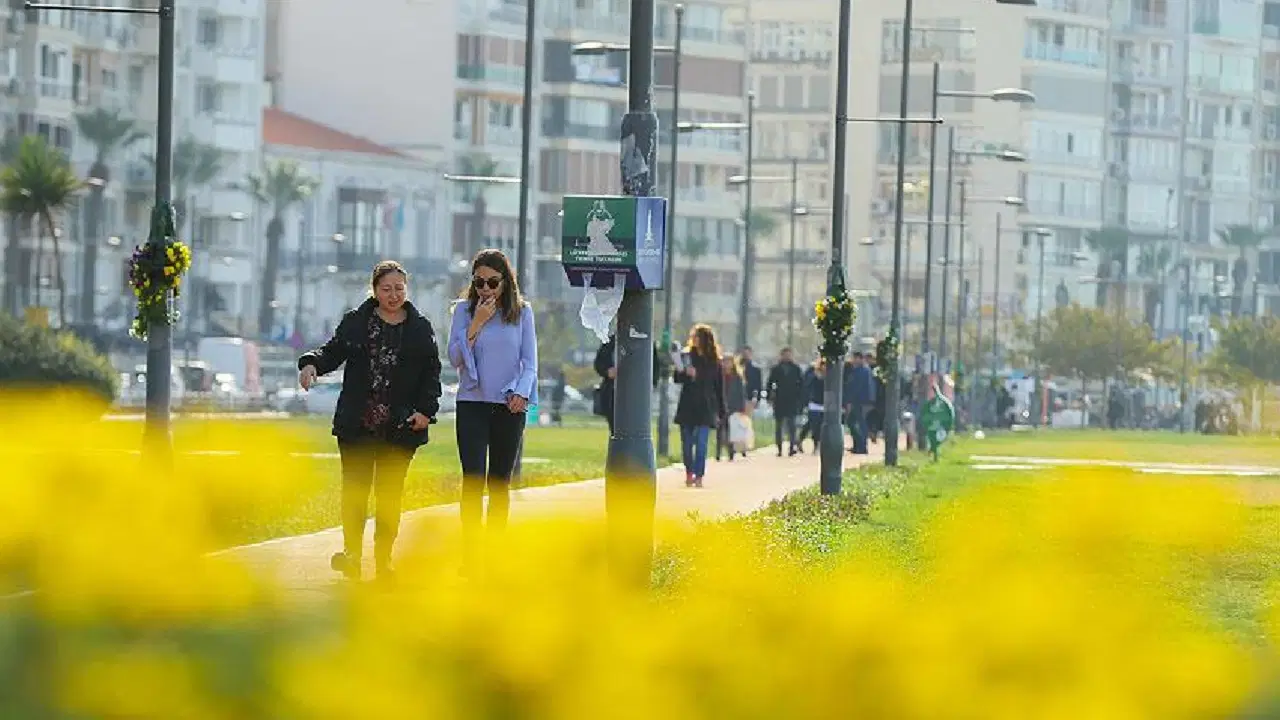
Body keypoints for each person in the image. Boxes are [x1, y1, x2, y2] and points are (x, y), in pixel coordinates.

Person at [297, 260, 442, 582]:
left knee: (389, 496)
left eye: (399, 289)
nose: (393, 295)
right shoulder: (357, 322)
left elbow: (432, 374)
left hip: (400, 428)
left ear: (407, 289)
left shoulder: (420, 328)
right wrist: (310, 365)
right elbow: (331, 352)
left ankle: (383, 562)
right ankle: (351, 555)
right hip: (357, 424)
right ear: (374, 291)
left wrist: (425, 410)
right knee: (356, 492)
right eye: (386, 289)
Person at [447, 249, 537, 572]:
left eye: (492, 282)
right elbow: (456, 358)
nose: (485, 289)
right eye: (479, 282)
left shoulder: (522, 313)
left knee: (499, 483)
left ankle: (495, 556)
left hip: (508, 407)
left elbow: (529, 364)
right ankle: (470, 557)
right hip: (471, 404)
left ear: (505, 282)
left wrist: (520, 393)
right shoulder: (463, 311)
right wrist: (477, 324)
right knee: (473, 480)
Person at [673, 324, 726, 488]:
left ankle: (699, 475)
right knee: (687, 445)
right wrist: (684, 373)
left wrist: (721, 412)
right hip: (687, 406)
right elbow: (677, 378)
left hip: (706, 408)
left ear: (705, 339)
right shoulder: (687, 356)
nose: (694, 339)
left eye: (697, 336)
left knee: (701, 444)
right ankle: (689, 472)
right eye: (693, 336)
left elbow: (719, 388)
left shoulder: (714, 362)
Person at [593, 335, 660, 435]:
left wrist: (650, 386)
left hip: (637, 395)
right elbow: (599, 363)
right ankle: (617, 448)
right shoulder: (611, 341)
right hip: (613, 394)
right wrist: (607, 371)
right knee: (615, 431)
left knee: (636, 430)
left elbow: (655, 368)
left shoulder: (646, 342)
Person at [765, 347, 804, 456]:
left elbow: (801, 385)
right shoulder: (776, 369)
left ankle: (792, 447)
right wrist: (769, 397)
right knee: (779, 426)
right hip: (779, 400)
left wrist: (801, 399)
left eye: (789, 354)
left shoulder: (796, 369)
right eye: (785, 354)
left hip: (792, 400)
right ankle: (779, 448)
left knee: (792, 426)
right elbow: (770, 383)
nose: (787, 357)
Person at [714, 355, 748, 462]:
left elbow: (741, 393)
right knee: (720, 430)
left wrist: (742, 407)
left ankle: (731, 452)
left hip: (733, 407)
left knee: (731, 430)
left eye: (729, 362)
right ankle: (718, 452)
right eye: (725, 362)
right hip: (721, 406)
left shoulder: (737, 377)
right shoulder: (718, 375)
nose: (726, 364)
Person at [844, 352, 875, 455]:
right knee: (853, 422)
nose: (853, 360)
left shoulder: (861, 371)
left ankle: (861, 446)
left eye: (854, 358)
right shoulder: (865, 370)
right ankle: (859, 445)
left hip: (859, 401)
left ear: (859, 359)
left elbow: (855, 387)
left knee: (859, 423)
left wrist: (849, 401)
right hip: (863, 400)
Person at [798, 358, 826, 453]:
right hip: (814, 404)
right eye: (822, 364)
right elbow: (806, 386)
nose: (824, 367)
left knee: (819, 425)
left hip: (825, 404)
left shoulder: (830, 375)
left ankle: (817, 444)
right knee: (814, 426)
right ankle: (813, 444)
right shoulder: (812, 374)